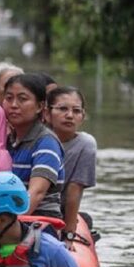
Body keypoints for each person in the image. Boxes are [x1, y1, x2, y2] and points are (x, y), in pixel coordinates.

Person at [3, 73, 65, 219]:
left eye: (22, 99)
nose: (13, 105)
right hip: (10, 217)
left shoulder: (46, 142)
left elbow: (36, 193)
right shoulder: (8, 140)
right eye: (9, 98)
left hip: (40, 219)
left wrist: (5, 228)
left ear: (39, 106)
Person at [45, 86, 96, 249]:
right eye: (62, 109)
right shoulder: (37, 138)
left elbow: (74, 191)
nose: (69, 115)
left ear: (83, 116)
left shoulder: (85, 144)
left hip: (57, 211)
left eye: (76, 111)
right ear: (47, 113)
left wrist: (68, 234)